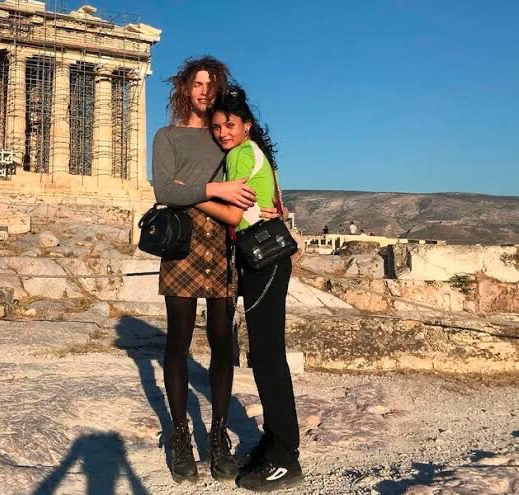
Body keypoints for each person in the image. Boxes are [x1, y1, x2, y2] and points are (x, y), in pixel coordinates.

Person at [152, 56, 275, 484]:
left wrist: (268, 205)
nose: (204, 91)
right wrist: (216, 188)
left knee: (223, 342)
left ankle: (219, 435)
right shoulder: (167, 136)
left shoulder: (225, 133)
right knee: (178, 340)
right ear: (184, 88)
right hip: (182, 240)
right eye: (197, 83)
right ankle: (180, 436)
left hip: (225, 239)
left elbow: (255, 174)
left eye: (211, 84)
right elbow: (164, 189)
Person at [195, 85, 303, 492]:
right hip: (264, 260)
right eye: (217, 126)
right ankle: (274, 443)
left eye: (230, 125)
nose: (223, 132)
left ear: (246, 126)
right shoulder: (251, 152)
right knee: (265, 353)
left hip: (264, 260)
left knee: (268, 356)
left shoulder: (240, 154)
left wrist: (193, 193)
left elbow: (232, 213)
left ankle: (285, 457)